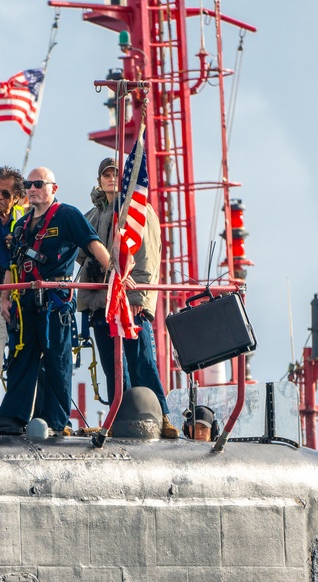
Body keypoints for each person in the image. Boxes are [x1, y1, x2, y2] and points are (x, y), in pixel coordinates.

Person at [0, 167, 113, 436]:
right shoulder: (20, 224)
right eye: (29, 184)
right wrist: (4, 297)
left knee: (56, 360)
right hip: (25, 304)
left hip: (54, 303)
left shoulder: (67, 215)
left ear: (53, 188)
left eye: (38, 183)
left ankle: (55, 420)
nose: (32, 188)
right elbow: (13, 264)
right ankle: (12, 417)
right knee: (20, 358)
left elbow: (92, 244)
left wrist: (114, 274)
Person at [77, 157, 178, 438]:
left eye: (115, 174)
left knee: (141, 362)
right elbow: (82, 258)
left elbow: (146, 261)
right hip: (101, 303)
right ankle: (118, 420)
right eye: (106, 175)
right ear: (99, 180)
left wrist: (138, 301)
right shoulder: (92, 217)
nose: (110, 179)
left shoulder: (139, 213)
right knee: (113, 368)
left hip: (128, 303)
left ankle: (164, 417)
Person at [0, 166, 26, 405]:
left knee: (23, 360)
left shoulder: (26, 218)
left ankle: (20, 417)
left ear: (16, 198)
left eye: (5, 194)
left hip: (20, 299)